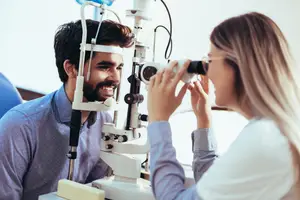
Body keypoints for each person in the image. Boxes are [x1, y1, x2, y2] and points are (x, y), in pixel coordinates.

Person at [147, 11, 300, 199]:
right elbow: (215, 186)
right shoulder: (273, 130)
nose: (206, 73)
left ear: (239, 63)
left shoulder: (264, 138)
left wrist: (158, 121)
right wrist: (204, 121)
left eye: (209, 61)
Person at [0, 19, 134, 200]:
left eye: (119, 67)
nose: (116, 78)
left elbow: (97, 190)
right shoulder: (20, 126)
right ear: (71, 68)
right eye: (104, 67)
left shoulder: (105, 123)